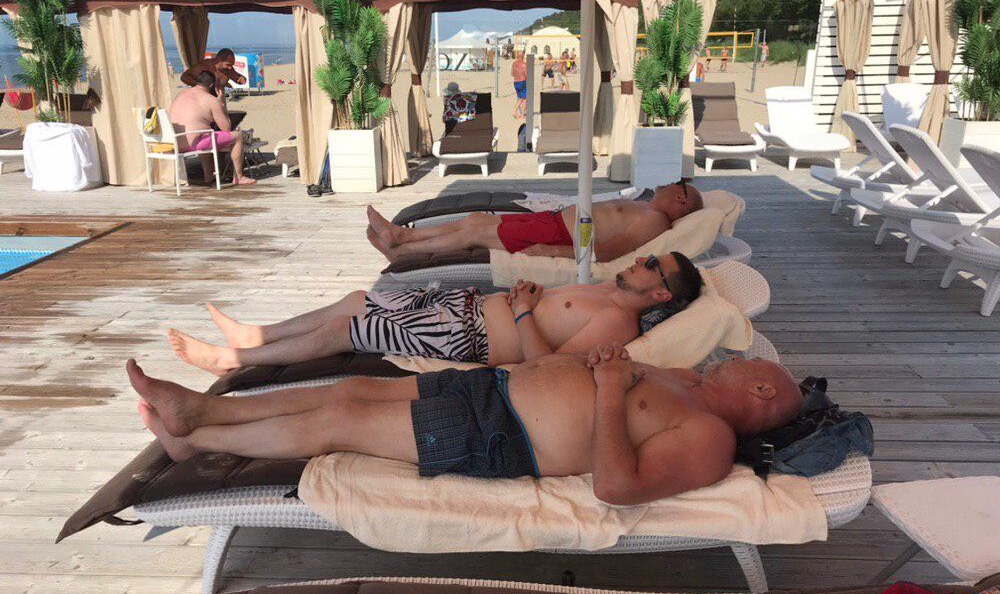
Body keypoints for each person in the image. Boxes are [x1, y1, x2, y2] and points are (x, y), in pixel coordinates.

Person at [127, 347, 803, 505]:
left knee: (341, 419)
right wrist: (604, 365)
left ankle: (196, 439)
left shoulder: (711, 439)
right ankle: (205, 410)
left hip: (502, 433)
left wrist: (604, 389)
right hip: (494, 386)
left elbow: (617, 487)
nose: (733, 357)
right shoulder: (688, 380)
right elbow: (617, 380)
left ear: (762, 389)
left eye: (746, 362)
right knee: (351, 387)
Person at [166, 252, 704, 375]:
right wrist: (531, 295)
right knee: (356, 299)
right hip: (463, 308)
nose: (641, 260)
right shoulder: (604, 289)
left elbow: (545, 369)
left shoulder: (617, 325)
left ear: (661, 295)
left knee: (348, 328)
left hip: (466, 337)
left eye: (652, 265)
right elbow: (551, 312)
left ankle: (233, 360)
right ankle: (256, 334)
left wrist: (521, 312)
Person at [366, 181, 704, 263]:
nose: (666, 183)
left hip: (556, 234)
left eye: (676, 184)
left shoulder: (655, 221)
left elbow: (611, 250)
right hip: (553, 222)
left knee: (474, 233)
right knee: (476, 219)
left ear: (681, 199)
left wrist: (551, 251)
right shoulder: (646, 207)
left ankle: (403, 244)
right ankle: (403, 238)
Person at [167, 71, 256, 187]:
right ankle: (239, 177)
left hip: (174, 142)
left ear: (197, 82)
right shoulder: (211, 100)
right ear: (211, 85)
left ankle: (208, 177)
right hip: (192, 144)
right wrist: (221, 102)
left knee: (204, 134)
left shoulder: (181, 94)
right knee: (237, 136)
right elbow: (226, 128)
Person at [180, 48, 246, 101]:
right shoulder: (204, 66)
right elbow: (184, 77)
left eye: (232, 65)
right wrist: (202, 86)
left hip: (220, 102)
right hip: (203, 101)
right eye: (228, 64)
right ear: (219, 60)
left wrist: (242, 79)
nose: (230, 67)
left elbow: (237, 78)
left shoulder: (228, 69)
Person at [512, 49, 528, 119]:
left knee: (520, 98)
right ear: (523, 56)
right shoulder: (524, 64)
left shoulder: (514, 63)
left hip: (516, 82)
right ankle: (521, 114)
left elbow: (512, 74)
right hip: (522, 82)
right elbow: (526, 74)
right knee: (524, 99)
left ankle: (516, 113)